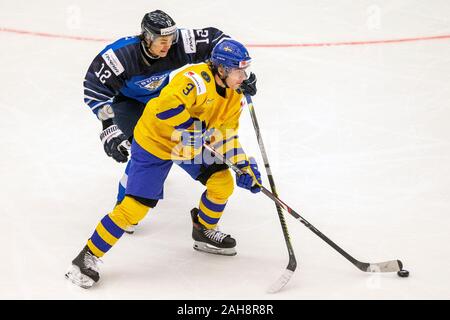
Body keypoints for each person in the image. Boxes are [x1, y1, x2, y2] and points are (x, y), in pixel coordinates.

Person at [66, 39, 262, 289]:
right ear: (221, 69)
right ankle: (87, 257)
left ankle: (204, 229)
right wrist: (194, 127)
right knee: (134, 208)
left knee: (222, 182)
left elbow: (225, 136)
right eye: (238, 71)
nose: (243, 76)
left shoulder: (235, 96)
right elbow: (166, 106)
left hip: (188, 144)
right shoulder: (195, 80)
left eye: (245, 70)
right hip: (155, 141)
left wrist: (243, 166)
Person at [84, 10, 257, 233]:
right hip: (128, 103)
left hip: (165, 101)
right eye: (162, 41)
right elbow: (94, 89)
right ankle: (125, 204)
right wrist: (109, 127)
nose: (168, 46)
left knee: (189, 145)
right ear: (146, 37)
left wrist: (241, 74)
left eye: (171, 39)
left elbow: (218, 41)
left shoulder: (177, 43)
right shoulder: (121, 56)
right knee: (141, 145)